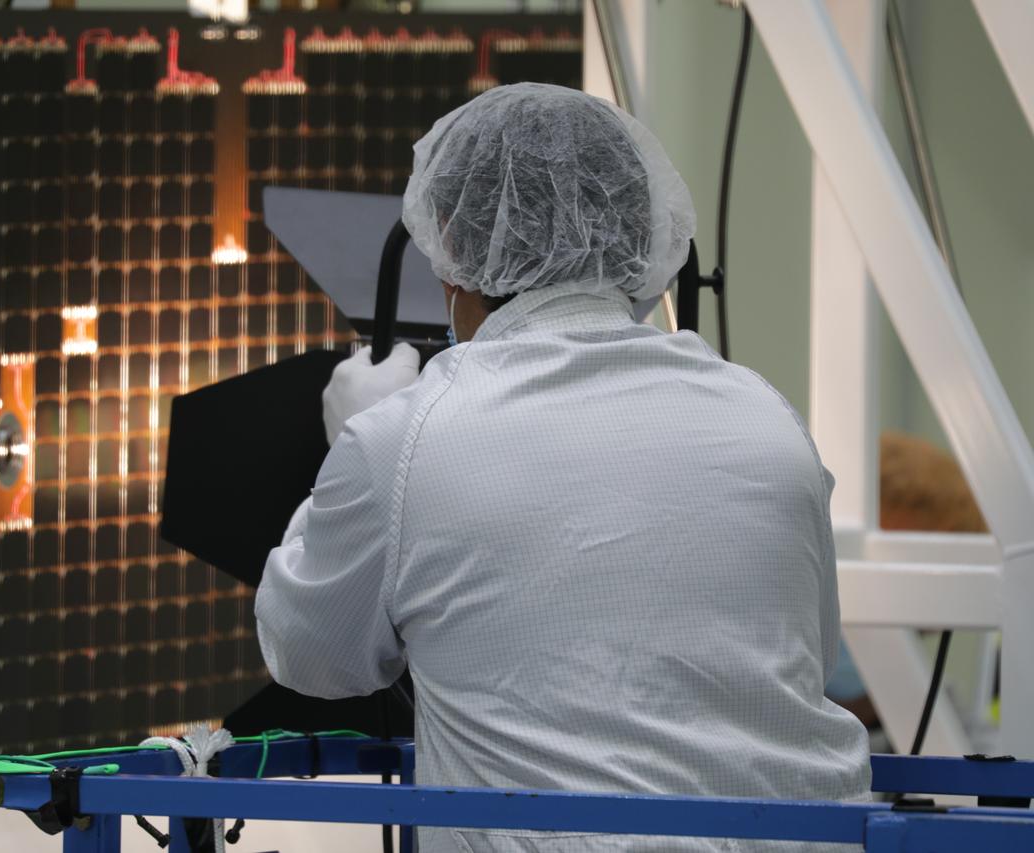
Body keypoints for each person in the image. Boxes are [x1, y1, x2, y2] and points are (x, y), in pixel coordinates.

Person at [256, 83, 870, 852]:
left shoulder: (409, 440)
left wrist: (350, 445)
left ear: (450, 247)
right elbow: (800, 648)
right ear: (639, 236)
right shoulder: (768, 418)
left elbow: (309, 653)